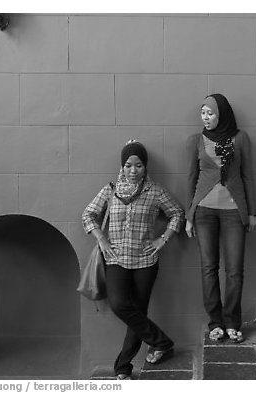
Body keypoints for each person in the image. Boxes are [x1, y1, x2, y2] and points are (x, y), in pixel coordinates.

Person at [82, 140, 184, 380]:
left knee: (137, 312)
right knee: (120, 305)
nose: (133, 170)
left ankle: (122, 368)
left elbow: (177, 213)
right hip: (116, 259)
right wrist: (101, 240)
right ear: (122, 166)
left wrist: (163, 240)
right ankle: (162, 342)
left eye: (138, 165)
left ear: (145, 166)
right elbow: (88, 214)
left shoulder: (155, 191)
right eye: (128, 165)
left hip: (145, 262)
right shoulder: (110, 190)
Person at [185, 93, 256, 343]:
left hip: (233, 213)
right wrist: (189, 215)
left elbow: (248, 176)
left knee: (235, 270)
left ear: (222, 114)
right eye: (203, 113)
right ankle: (215, 322)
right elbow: (191, 179)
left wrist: (252, 212)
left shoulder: (240, 138)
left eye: (211, 113)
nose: (205, 118)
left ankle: (232, 322)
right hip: (203, 212)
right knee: (209, 268)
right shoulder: (196, 140)